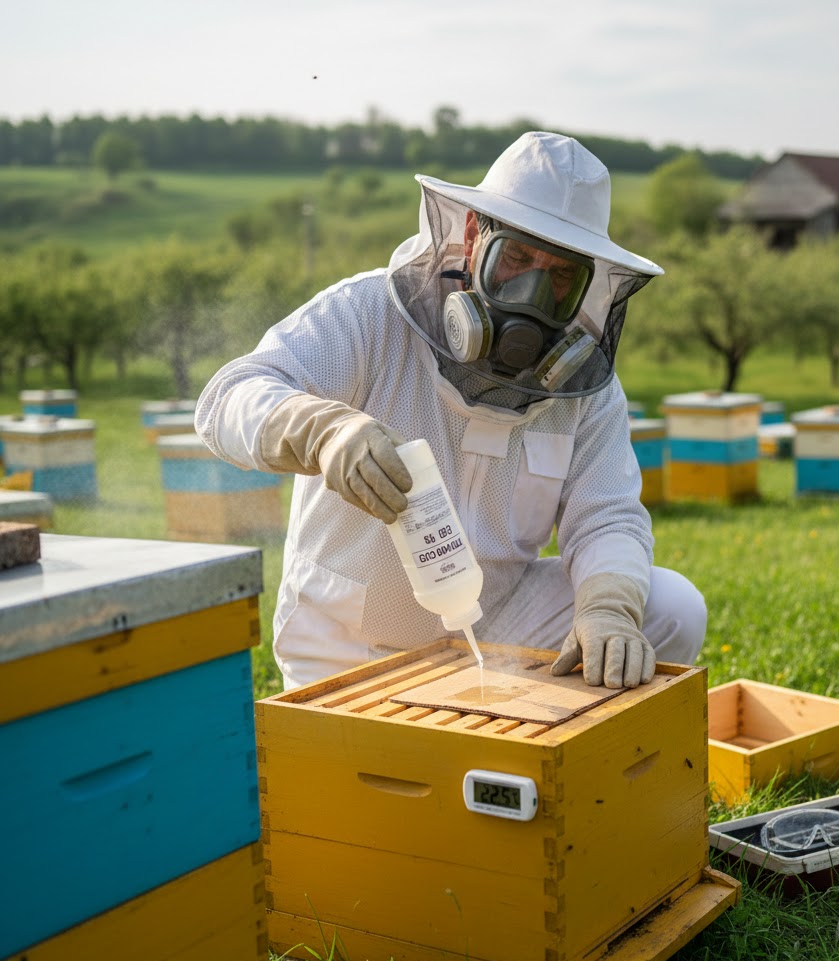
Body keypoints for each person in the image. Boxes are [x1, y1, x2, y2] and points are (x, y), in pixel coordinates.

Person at [196, 131, 707, 691]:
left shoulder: (585, 388)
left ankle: (558, 741)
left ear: (588, 285)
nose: (533, 291)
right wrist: (322, 430)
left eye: (560, 276)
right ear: (472, 236)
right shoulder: (369, 314)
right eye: (516, 257)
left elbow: (608, 515)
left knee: (671, 607)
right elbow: (229, 395)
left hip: (499, 628)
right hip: (349, 642)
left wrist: (609, 608)